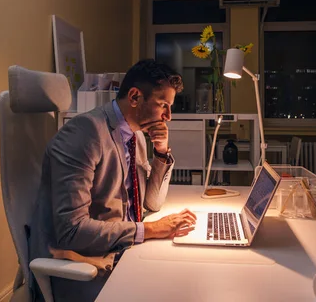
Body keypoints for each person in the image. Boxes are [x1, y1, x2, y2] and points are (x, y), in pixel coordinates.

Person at [29, 59, 197, 301]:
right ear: (135, 97)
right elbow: (71, 231)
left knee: (188, 276)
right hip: (84, 266)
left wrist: (161, 152)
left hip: (123, 249)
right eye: (163, 105)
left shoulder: (135, 134)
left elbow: (152, 203)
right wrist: (148, 229)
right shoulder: (85, 133)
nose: (168, 117)